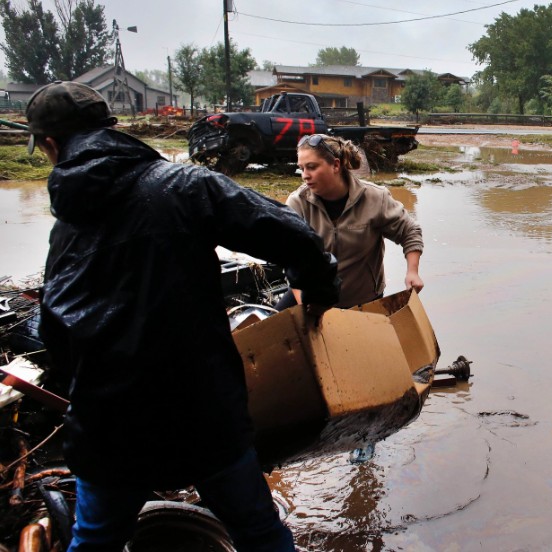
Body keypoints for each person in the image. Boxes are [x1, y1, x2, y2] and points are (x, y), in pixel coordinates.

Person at [28, 81, 341, 551]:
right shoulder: (185, 185)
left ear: (51, 145)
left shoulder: (65, 231)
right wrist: (315, 303)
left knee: (95, 540)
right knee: (257, 532)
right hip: (203, 411)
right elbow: (297, 238)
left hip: (108, 424)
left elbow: (54, 328)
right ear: (112, 129)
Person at [278, 133, 424, 310]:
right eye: (301, 168)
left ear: (336, 165)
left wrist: (412, 272)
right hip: (314, 299)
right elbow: (290, 258)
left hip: (364, 299)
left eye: (312, 167)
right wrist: (304, 304)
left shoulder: (375, 198)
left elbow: (409, 231)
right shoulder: (298, 203)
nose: (305, 175)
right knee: (265, 333)